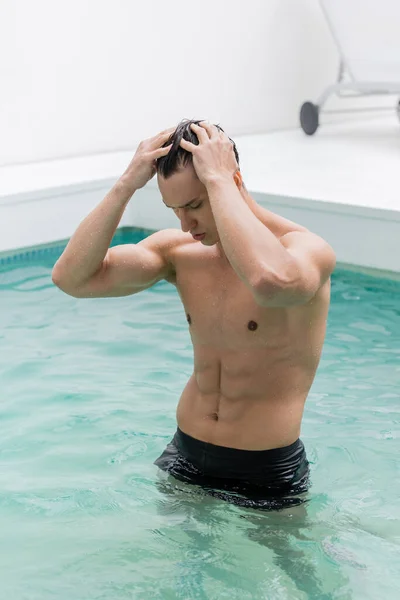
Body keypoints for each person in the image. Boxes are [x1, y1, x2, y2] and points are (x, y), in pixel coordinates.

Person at [52, 119, 336, 511]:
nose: (186, 225)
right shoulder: (180, 253)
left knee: (294, 571)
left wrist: (219, 181)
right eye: (174, 210)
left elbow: (269, 282)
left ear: (232, 179)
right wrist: (125, 186)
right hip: (185, 453)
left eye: (194, 206)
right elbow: (71, 279)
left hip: (264, 467)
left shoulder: (305, 250)